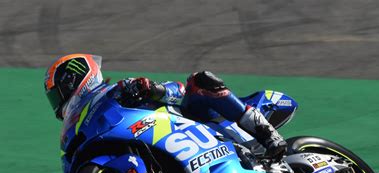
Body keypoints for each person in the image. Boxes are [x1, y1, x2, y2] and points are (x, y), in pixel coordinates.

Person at [44, 54, 287, 159]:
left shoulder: (119, 89)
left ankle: (266, 134)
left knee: (199, 81)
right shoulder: (84, 122)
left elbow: (178, 91)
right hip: (164, 145)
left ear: (72, 79)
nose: (58, 101)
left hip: (192, 122)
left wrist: (153, 89)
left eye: (57, 94)